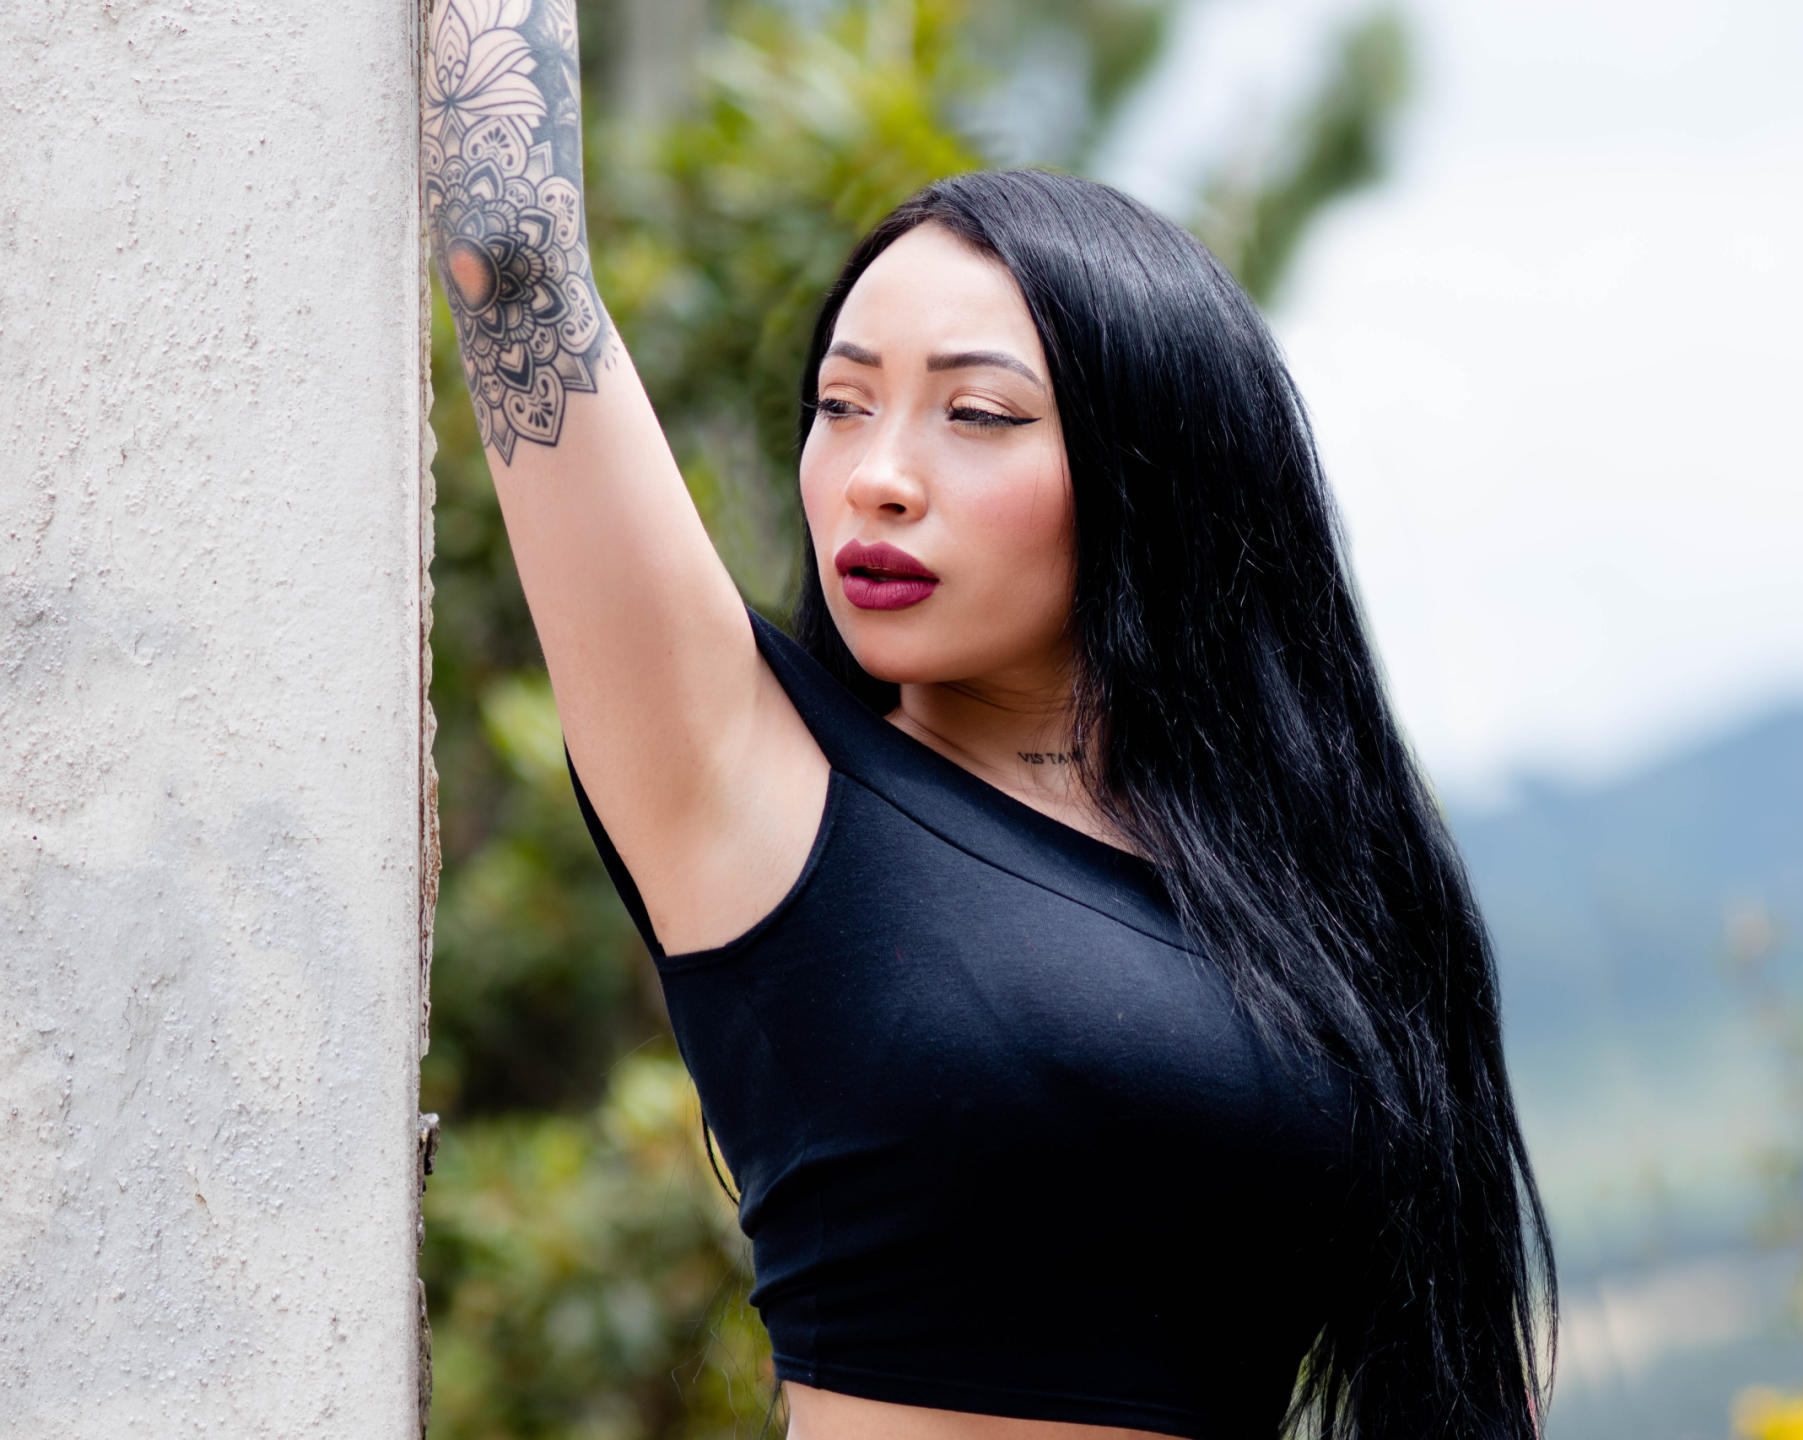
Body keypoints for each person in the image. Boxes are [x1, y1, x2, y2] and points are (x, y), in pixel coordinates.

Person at [423, 0, 1554, 1436]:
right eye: (842, 404)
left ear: (1152, 472)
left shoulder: (1310, 888)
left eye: (978, 416)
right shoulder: (750, 781)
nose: (878, 476)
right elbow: (509, 248)